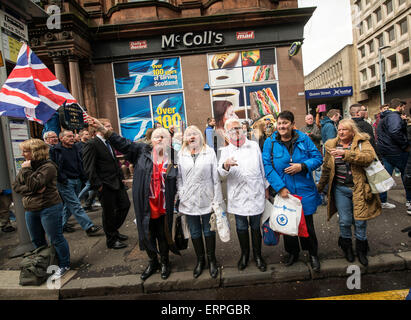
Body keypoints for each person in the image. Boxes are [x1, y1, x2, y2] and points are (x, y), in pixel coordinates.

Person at [88, 117, 177, 280]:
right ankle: (153, 262)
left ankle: (165, 262)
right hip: (145, 202)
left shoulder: (173, 156)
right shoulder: (141, 150)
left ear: (169, 139)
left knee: (163, 234)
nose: (160, 139)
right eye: (157, 136)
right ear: (150, 139)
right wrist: (103, 129)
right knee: (147, 233)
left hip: (163, 204)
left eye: (164, 136)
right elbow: (121, 142)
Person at [262, 110, 322, 272]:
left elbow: (318, 158)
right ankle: (293, 253)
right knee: (287, 223)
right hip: (284, 190)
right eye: (279, 123)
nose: (281, 126)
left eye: (285, 123)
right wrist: (280, 187)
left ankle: (312, 254)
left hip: (305, 190)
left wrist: (302, 166)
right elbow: (267, 166)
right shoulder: (270, 142)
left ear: (292, 125)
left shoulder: (303, 138)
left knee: (307, 225)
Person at [317, 119, 381, 266]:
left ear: (352, 131)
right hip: (340, 189)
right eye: (339, 130)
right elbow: (326, 168)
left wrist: (345, 154)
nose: (341, 132)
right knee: (344, 221)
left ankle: (361, 249)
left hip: (360, 189)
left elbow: (369, 158)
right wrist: (319, 187)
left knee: (360, 221)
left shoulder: (361, 142)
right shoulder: (331, 145)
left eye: (344, 130)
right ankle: (347, 248)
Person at [12, 139, 70, 280]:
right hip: (30, 209)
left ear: (36, 152)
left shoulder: (48, 167)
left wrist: (27, 172)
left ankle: (64, 265)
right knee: (37, 240)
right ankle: (46, 263)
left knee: (55, 238)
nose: (23, 153)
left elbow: (36, 185)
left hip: (49, 207)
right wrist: (32, 189)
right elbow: (16, 186)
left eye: (26, 151)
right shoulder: (27, 165)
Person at [218, 118, 268, 272]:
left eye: (238, 127)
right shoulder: (225, 151)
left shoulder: (253, 146)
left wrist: (266, 188)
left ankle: (258, 256)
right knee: (241, 227)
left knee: (255, 226)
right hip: (238, 196)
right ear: (227, 134)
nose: (236, 131)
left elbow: (262, 167)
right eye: (232, 129)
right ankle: (245, 255)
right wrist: (225, 165)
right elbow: (220, 174)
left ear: (243, 129)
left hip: (255, 192)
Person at [177, 125, 223, 279]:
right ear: (185, 138)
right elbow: (179, 178)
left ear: (200, 136)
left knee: (208, 229)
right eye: (188, 134)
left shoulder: (209, 152)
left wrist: (216, 199)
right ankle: (200, 260)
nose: (192, 136)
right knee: (195, 231)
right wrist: (182, 193)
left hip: (207, 197)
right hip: (188, 200)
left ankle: (212, 260)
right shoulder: (181, 153)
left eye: (194, 134)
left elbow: (215, 179)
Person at [82, 119, 131, 250]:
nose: (111, 129)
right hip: (105, 184)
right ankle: (111, 239)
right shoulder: (92, 144)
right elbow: (89, 167)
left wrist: (121, 178)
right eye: (107, 126)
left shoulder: (108, 142)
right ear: (97, 129)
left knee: (125, 205)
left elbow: (115, 162)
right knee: (109, 212)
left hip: (117, 182)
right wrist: (98, 185)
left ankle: (114, 230)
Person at [49, 130, 102, 236]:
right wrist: (62, 178)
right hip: (65, 181)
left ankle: (62, 225)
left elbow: (80, 163)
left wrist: (83, 177)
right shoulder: (55, 150)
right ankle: (88, 227)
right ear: (62, 138)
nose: (72, 138)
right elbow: (54, 166)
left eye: (72, 136)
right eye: (68, 136)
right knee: (75, 204)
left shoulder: (75, 148)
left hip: (77, 179)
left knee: (70, 205)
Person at [376, 98, 411, 210]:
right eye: (403, 107)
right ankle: (409, 201)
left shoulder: (383, 117)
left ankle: (382, 200)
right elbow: (395, 131)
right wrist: (405, 145)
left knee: (385, 177)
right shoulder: (394, 116)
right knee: (407, 176)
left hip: (386, 152)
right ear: (399, 106)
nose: (403, 109)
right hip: (397, 151)